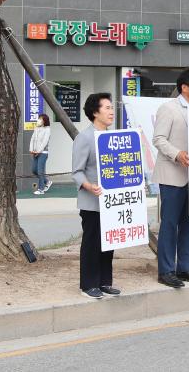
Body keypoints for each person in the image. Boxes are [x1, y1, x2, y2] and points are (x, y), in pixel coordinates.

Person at [152, 68, 189, 289]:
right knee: (169, 224)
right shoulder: (169, 108)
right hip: (172, 175)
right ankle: (166, 271)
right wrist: (177, 154)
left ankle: (186, 268)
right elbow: (158, 139)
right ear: (184, 87)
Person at [72, 92, 120, 300]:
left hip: (111, 202)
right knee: (92, 242)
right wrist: (89, 186)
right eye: (107, 108)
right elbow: (76, 171)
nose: (111, 112)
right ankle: (88, 284)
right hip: (92, 202)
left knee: (109, 242)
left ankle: (104, 282)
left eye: (111, 108)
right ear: (95, 112)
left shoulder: (114, 137)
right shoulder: (84, 137)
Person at [31, 113, 51, 195]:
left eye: (41, 118)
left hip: (43, 153)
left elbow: (44, 142)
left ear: (45, 121)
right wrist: (32, 150)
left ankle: (41, 189)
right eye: (39, 118)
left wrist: (38, 151)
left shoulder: (47, 129)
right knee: (34, 170)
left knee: (40, 171)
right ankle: (47, 181)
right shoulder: (37, 128)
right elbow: (32, 139)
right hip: (35, 152)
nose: (39, 120)